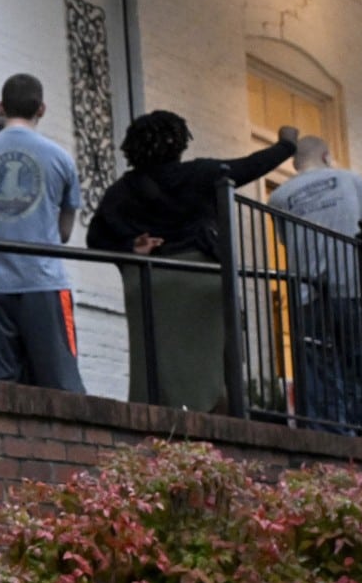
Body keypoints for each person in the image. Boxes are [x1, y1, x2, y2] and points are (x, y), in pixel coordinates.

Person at [87, 112, 298, 409]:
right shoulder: (200, 173)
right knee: (207, 361)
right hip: (199, 277)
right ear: (180, 142)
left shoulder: (122, 190)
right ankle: (207, 412)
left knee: (154, 363)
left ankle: (155, 416)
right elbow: (250, 166)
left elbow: (95, 238)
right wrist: (287, 144)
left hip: (148, 284)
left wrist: (130, 246)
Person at [0, 73, 84, 392]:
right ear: (42, 109)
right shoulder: (60, 158)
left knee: (0, 391)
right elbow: (65, 232)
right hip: (44, 283)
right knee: (61, 386)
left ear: (1, 107)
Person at [266, 134, 362, 433]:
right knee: (357, 368)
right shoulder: (351, 180)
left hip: (306, 296)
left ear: (295, 163)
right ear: (325, 156)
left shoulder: (278, 197)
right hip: (350, 291)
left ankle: (330, 445)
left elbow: (286, 242)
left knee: (318, 376)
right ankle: (361, 440)